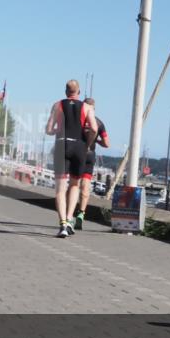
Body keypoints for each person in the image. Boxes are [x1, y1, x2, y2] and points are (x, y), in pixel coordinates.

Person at [45, 79, 97, 238]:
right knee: (75, 185)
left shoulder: (57, 105)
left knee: (60, 190)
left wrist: (57, 131)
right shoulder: (87, 107)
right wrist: (87, 143)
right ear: (79, 92)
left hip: (62, 145)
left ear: (66, 92)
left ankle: (61, 225)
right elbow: (94, 128)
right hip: (79, 147)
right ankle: (69, 220)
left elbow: (48, 129)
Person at [73, 97, 109, 232]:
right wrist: (97, 141)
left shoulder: (78, 119)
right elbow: (107, 143)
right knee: (86, 186)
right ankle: (81, 213)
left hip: (78, 154)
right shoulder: (99, 123)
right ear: (94, 108)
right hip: (90, 155)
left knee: (73, 184)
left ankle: (69, 214)